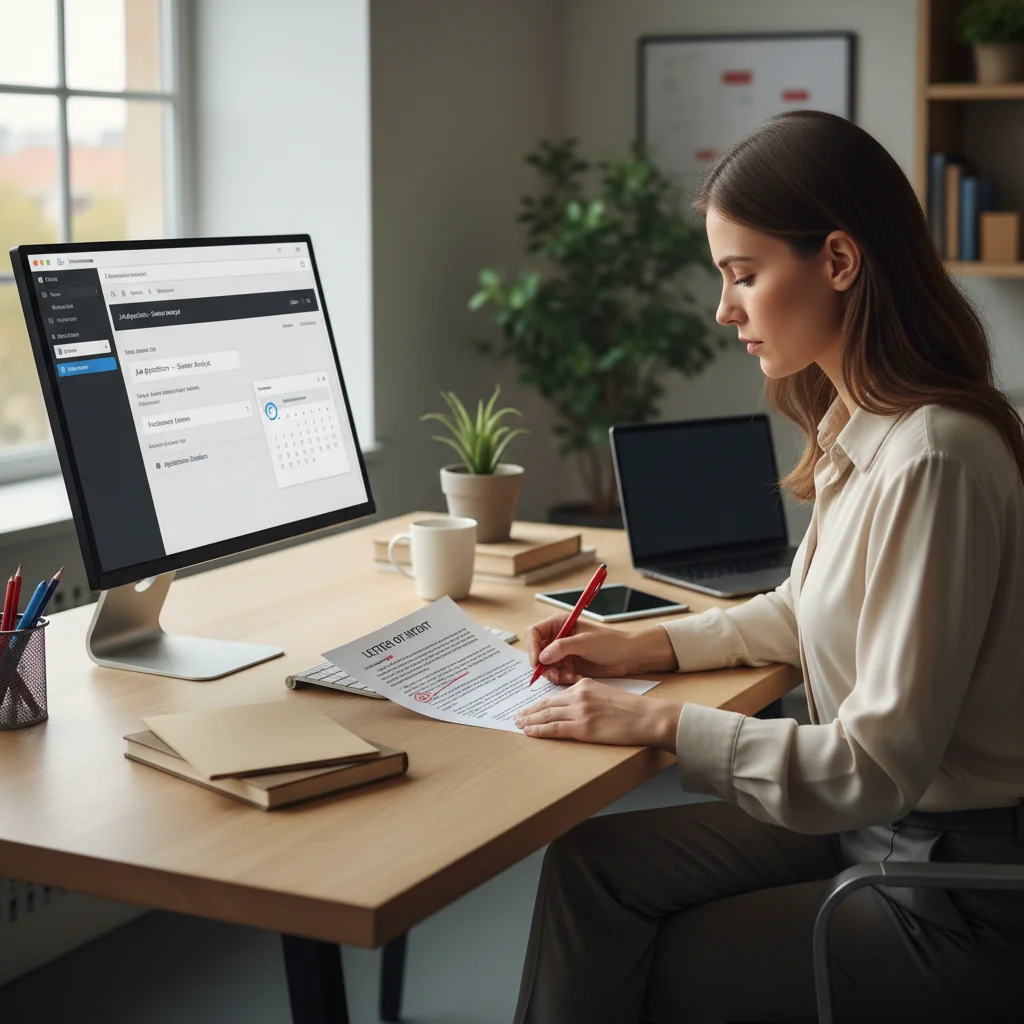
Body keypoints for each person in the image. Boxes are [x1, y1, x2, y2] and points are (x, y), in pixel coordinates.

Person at [511, 110, 1024, 1023]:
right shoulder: (863, 421)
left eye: (743, 275)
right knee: (592, 872)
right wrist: (639, 648)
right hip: (878, 830)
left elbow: (875, 764)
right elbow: (803, 607)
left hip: (947, 886)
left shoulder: (935, 457)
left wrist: (660, 723)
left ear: (839, 261)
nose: (724, 309)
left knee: (641, 959)